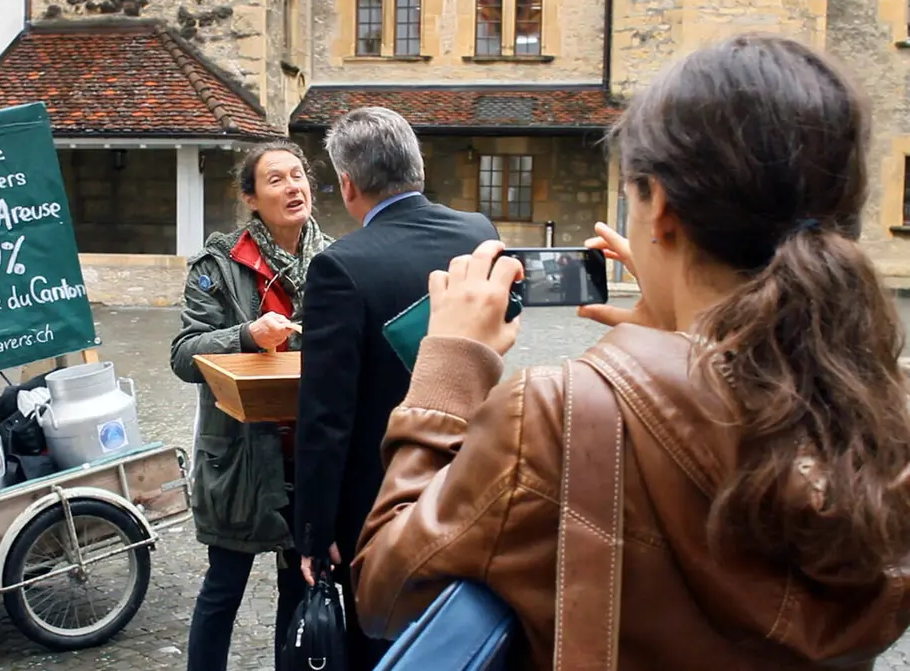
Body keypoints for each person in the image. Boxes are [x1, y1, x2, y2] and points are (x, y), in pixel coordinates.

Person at [351, 33, 910, 669]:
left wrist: (449, 368)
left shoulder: (557, 415)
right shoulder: (880, 417)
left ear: (661, 207)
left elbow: (386, 591)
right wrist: (676, 323)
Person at [293, 106, 500, 670]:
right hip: (470, 473)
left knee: (380, 640)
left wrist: (314, 530)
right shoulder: (480, 235)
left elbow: (325, 415)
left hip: (380, 493)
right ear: (418, 168)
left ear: (348, 184)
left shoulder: (339, 266)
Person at [170, 141, 333, 671]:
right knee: (223, 588)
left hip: (307, 454)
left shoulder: (334, 262)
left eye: (299, 175)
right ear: (251, 198)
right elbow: (182, 355)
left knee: (297, 584)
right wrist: (245, 335)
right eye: (276, 180)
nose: (293, 187)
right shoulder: (217, 266)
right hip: (239, 456)